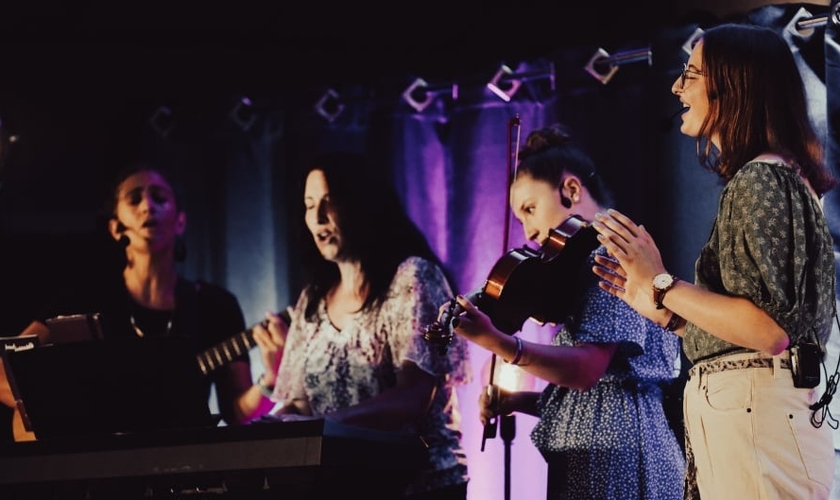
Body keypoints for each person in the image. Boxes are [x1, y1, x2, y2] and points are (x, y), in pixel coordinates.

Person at [591, 23, 838, 500]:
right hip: (755, 415)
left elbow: (768, 331)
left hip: (755, 418)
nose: (676, 86)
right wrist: (664, 310)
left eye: (691, 74)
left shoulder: (761, 179)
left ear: (733, 86)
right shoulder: (776, 178)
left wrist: (660, 280)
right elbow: (753, 324)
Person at [439, 124, 685, 500]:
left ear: (570, 190)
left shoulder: (610, 251)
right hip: (604, 452)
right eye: (520, 219)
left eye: (530, 209)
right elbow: (589, 399)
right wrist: (517, 401)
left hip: (620, 458)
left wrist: (499, 342)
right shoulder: (580, 266)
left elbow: (587, 371)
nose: (528, 231)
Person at [0, 160, 285, 441]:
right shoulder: (83, 298)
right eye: (134, 199)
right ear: (116, 228)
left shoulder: (215, 305)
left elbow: (238, 415)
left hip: (182, 462)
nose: (148, 206)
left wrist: (270, 381)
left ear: (180, 221)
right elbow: (5, 371)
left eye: (159, 198)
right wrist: (70, 410)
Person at [259, 151, 471, 500]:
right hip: (345, 486)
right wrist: (269, 427)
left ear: (360, 204)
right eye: (309, 204)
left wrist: (322, 427)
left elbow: (413, 397)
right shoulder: (312, 298)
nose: (318, 217)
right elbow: (297, 403)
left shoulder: (412, 277)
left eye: (329, 201)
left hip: (421, 486)